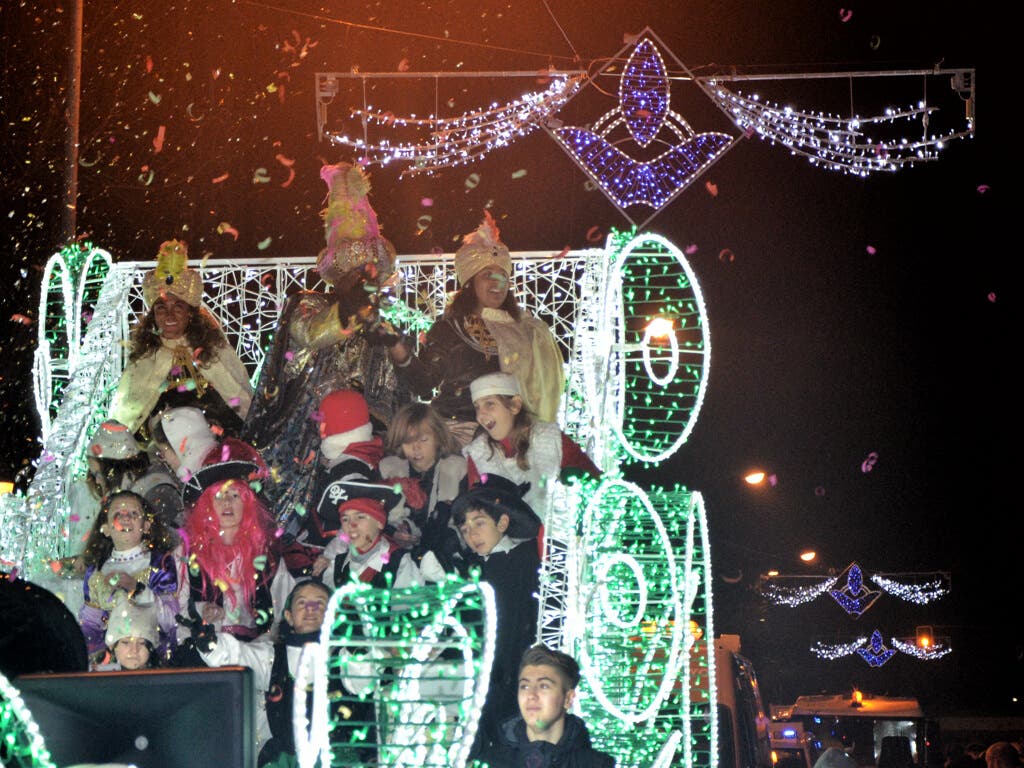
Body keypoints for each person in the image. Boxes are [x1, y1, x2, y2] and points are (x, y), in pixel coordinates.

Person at [241, 162, 410, 536]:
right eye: (354, 275)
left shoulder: (382, 322)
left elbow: (395, 388)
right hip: (304, 436)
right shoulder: (309, 306)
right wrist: (357, 313)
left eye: (368, 274)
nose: (362, 281)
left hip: (362, 443)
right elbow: (314, 334)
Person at [387, 210, 565, 446]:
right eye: (487, 275)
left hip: (513, 437)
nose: (496, 283)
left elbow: (542, 392)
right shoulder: (449, 328)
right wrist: (398, 348)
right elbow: (423, 385)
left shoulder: (530, 331)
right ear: (470, 285)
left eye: (502, 276)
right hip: (456, 435)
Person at [187, 579, 370, 765]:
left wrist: (360, 648)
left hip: (332, 759)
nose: (310, 608)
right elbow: (238, 655)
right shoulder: (273, 656)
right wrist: (211, 644)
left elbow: (363, 680)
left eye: (320, 603)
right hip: (284, 760)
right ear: (289, 616)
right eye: (301, 603)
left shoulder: (343, 657)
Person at [419, 473, 542, 748]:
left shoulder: (524, 562)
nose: (472, 534)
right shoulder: (472, 569)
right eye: (464, 529)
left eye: (479, 523)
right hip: (481, 680)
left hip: (515, 674)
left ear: (503, 522)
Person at [108, 238, 252, 441]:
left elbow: (237, 396)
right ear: (153, 316)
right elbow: (128, 411)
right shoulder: (146, 356)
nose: (169, 316)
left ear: (190, 313)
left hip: (214, 435)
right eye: (161, 308)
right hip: (159, 442)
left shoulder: (212, 349)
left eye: (178, 307)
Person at [174, 440, 292, 651]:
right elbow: (177, 609)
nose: (227, 503)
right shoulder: (187, 553)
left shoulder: (267, 555)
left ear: (248, 503)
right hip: (203, 654)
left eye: (235, 495)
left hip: (254, 654)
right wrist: (202, 613)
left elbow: (285, 607)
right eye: (219, 496)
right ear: (207, 505)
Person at [463, 372, 601, 521]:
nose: (480, 416)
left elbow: (592, 485)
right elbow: (478, 513)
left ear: (515, 405)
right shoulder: (478, 453)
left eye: (489, 404)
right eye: (477, 407)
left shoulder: (551, 438)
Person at [78, 489, 179, 665]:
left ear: (146, 526)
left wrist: (137, 589)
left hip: (153, 659)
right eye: (118, 514)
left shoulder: (159, 563)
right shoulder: (96, 572)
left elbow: (172, 620)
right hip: (111, 663)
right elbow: (90, 626)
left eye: (133, 513)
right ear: (106, 529)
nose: (125, 518)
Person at [473, 644, 615, 768]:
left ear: (568, 698)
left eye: (544, 686)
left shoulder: (596, 765)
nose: (531, 695)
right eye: (525, 686)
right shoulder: (490, 763)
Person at [379, 401, 467, 558]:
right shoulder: (388, 471)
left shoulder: (457, 469)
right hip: (397, 556)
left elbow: (464, 522)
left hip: (445, 555)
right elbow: (375, 515)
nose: (416, 448)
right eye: (408, 442)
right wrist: (394, 532)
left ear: (438, 438)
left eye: (424, 440)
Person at [314, 487, 421, 591]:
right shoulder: (337, 563)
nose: (351, 525)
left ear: (379, 523)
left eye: (360, 517)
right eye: (345, 519)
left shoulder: (400, 563)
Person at [94, 595, 161, 670]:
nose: (134, 650)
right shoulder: (95, 677)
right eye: (126, 642)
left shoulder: (166, 678)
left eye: (142, 643)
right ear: (112, 646)